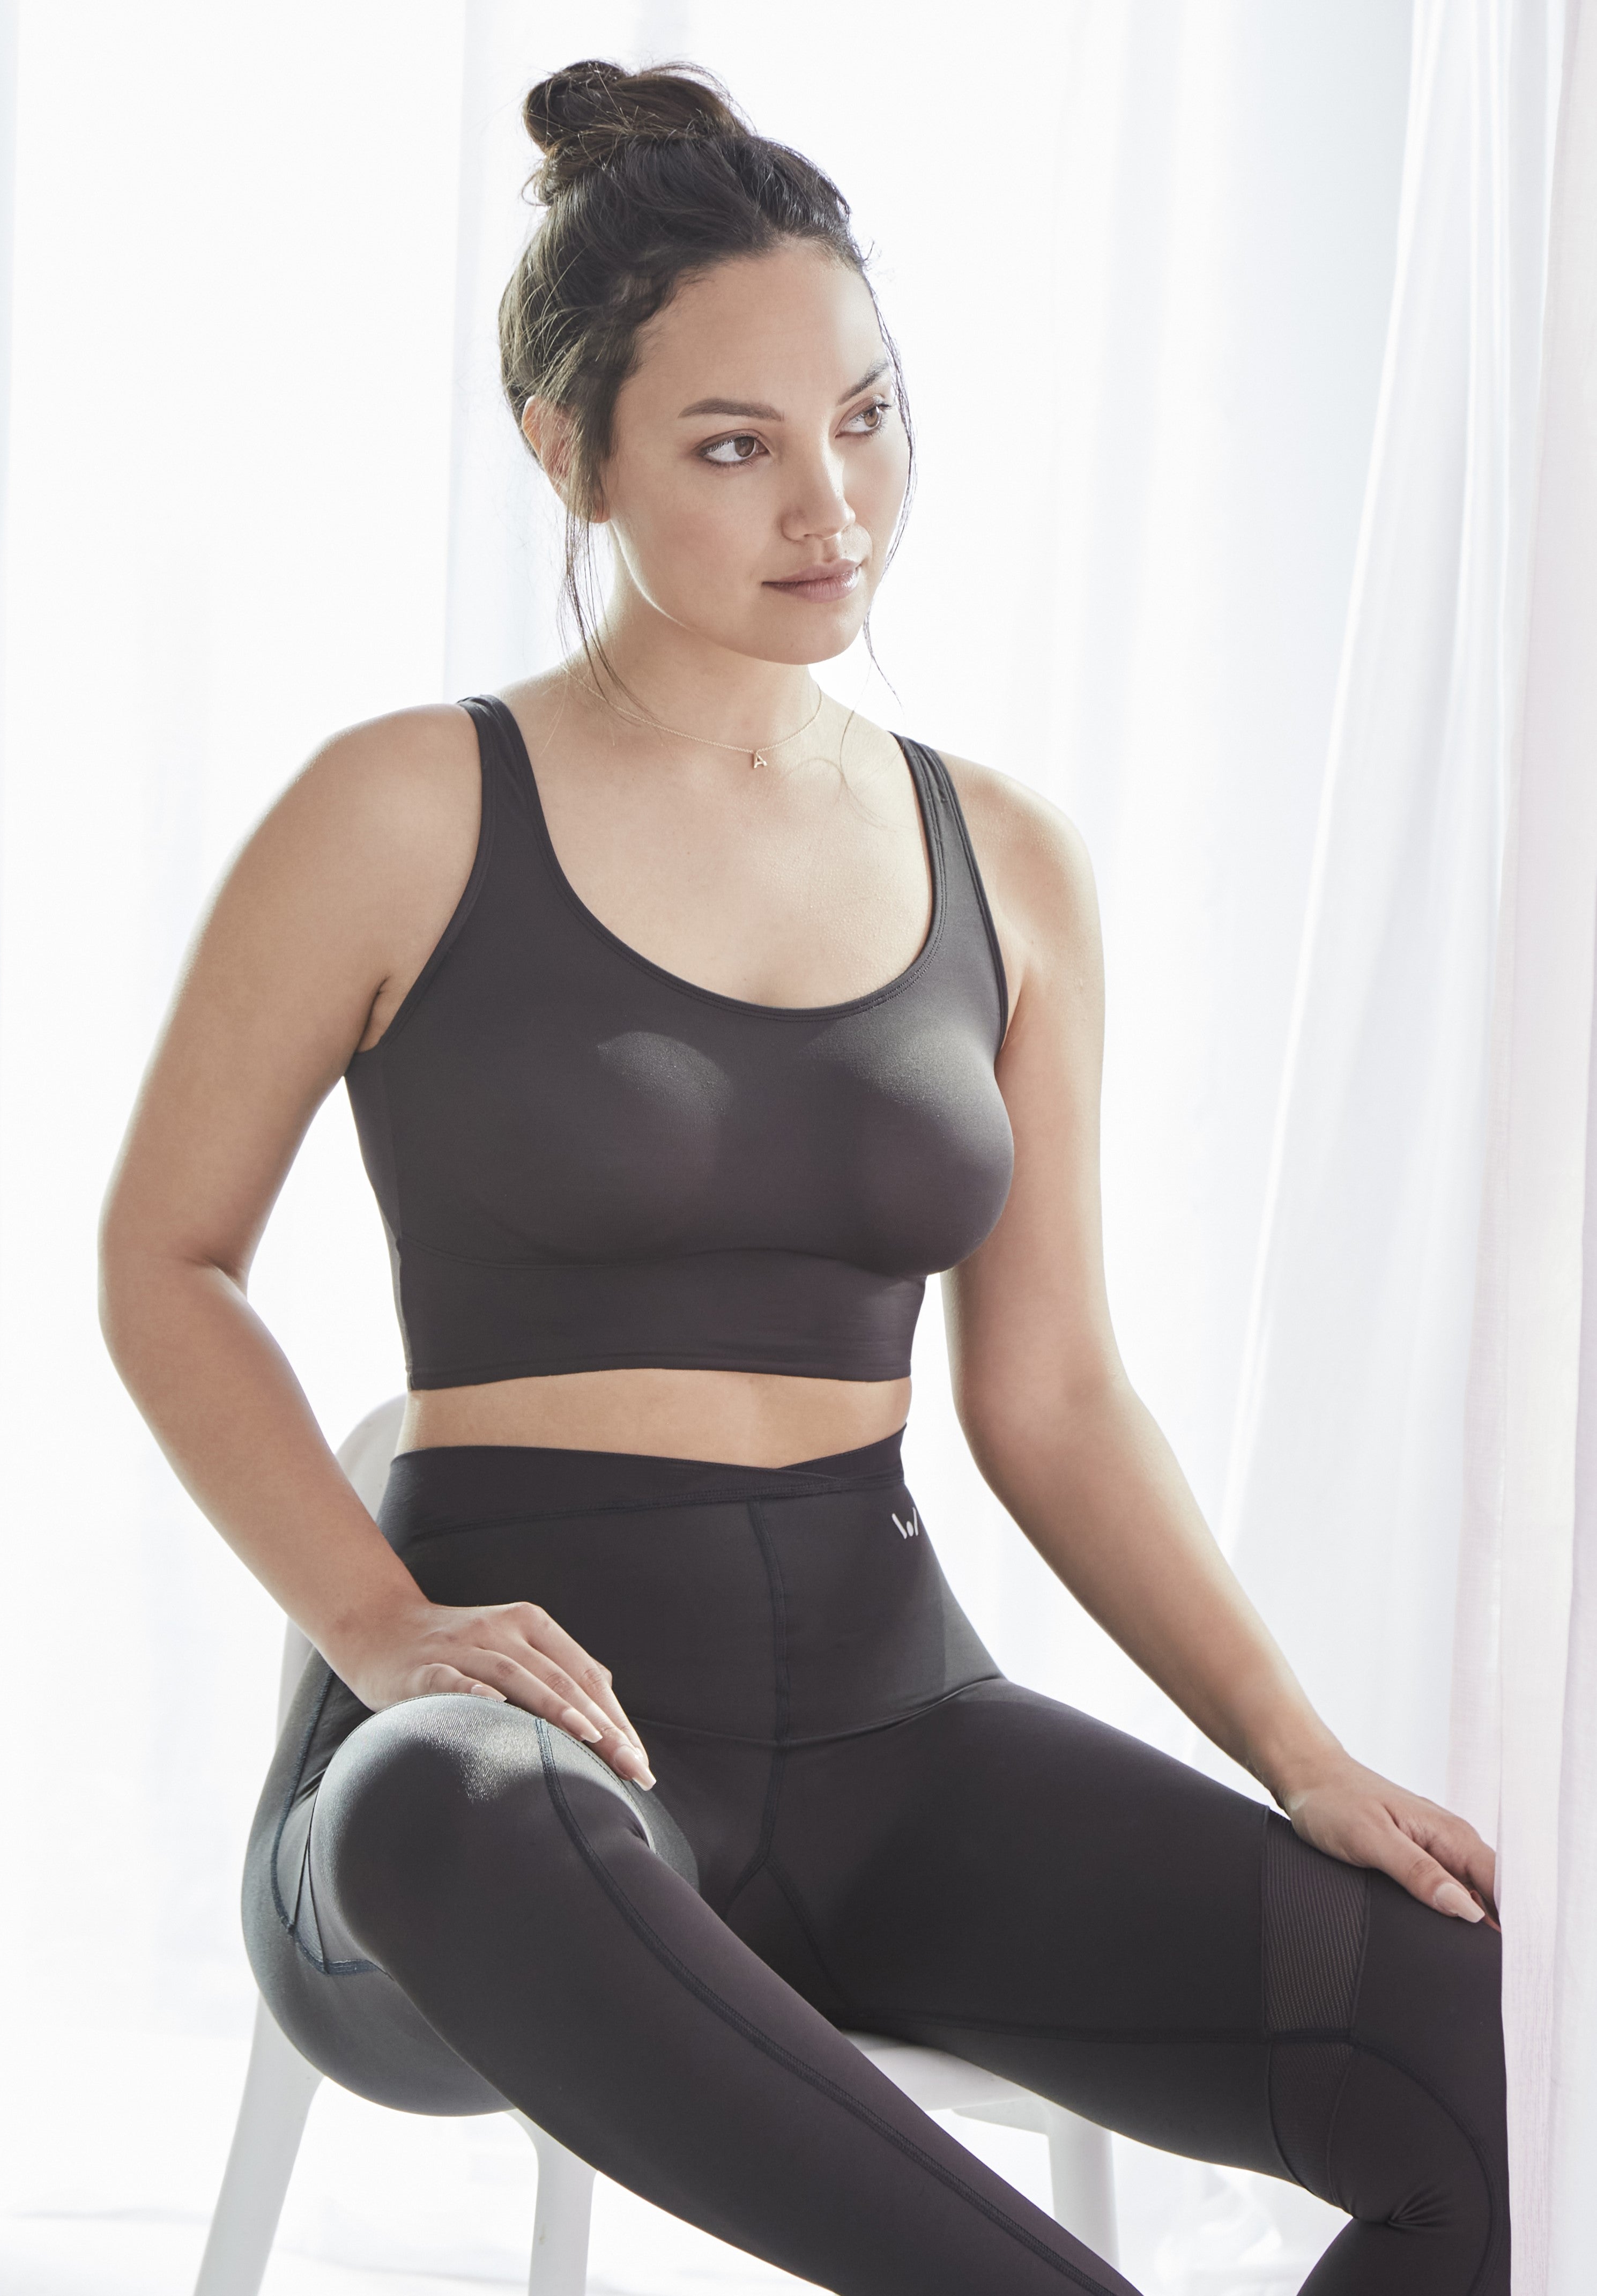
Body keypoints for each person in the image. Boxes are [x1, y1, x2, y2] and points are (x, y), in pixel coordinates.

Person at [99, 59, 1506, 2296]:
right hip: (500, 1783)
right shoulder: (399, 812)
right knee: (465, 1813)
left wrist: (1292, 1748)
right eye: (731, 448)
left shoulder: (1004, 862)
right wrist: (381, 1632)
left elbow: (1046, 1397)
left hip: (895, 1741)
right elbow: (163, 1263)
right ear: (566, 455)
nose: (827, 502)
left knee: (1445, 2013)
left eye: (861, 416)